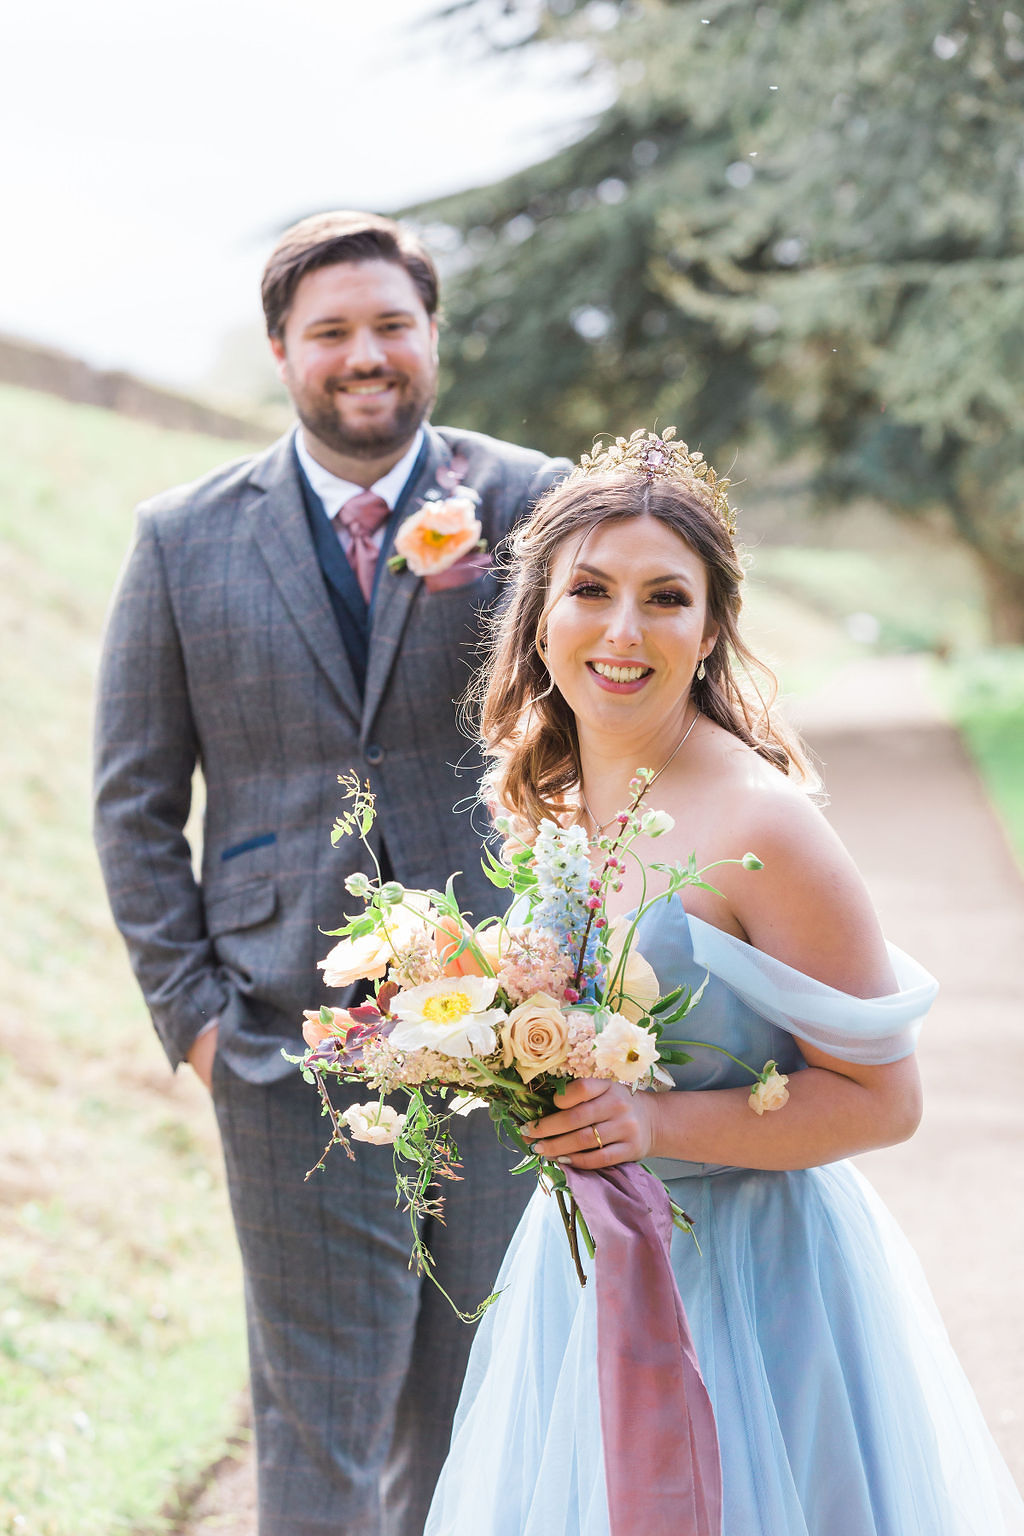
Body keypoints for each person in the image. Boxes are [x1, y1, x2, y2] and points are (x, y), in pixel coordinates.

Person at [423, 430, 1024, 1536]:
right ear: (538, 614)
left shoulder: (763, 828)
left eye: (664, 598)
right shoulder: (561, 804)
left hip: (752, 1291)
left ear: (707, 630)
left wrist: (649, 1120)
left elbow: (885, 1100)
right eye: (590, 590)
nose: (621, 629)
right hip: (591, 1269)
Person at [92, 210, 570, 1536]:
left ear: (431, 338)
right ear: (282, 352)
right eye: (333, 333)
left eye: (391, 326)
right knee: (315, 1404)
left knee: (480, 1382)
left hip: (499, 1021)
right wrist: (194, 1023)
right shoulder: (181, 537)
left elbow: (604, 733)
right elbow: (134, 806)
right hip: (278, 1031)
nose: (366, 355)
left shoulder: (532, 506)